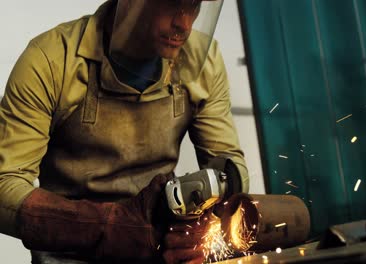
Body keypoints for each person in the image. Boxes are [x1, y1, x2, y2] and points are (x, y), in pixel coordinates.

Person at [0, 0, 249, 263]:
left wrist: (204, 223)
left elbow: (228, 164)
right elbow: (4, 186)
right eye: (171, 4)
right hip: (68, 254)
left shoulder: (202, 58)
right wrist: (109, 226)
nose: (184, 24)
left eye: (194, 6)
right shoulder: (51, 59)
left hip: (162, 249)